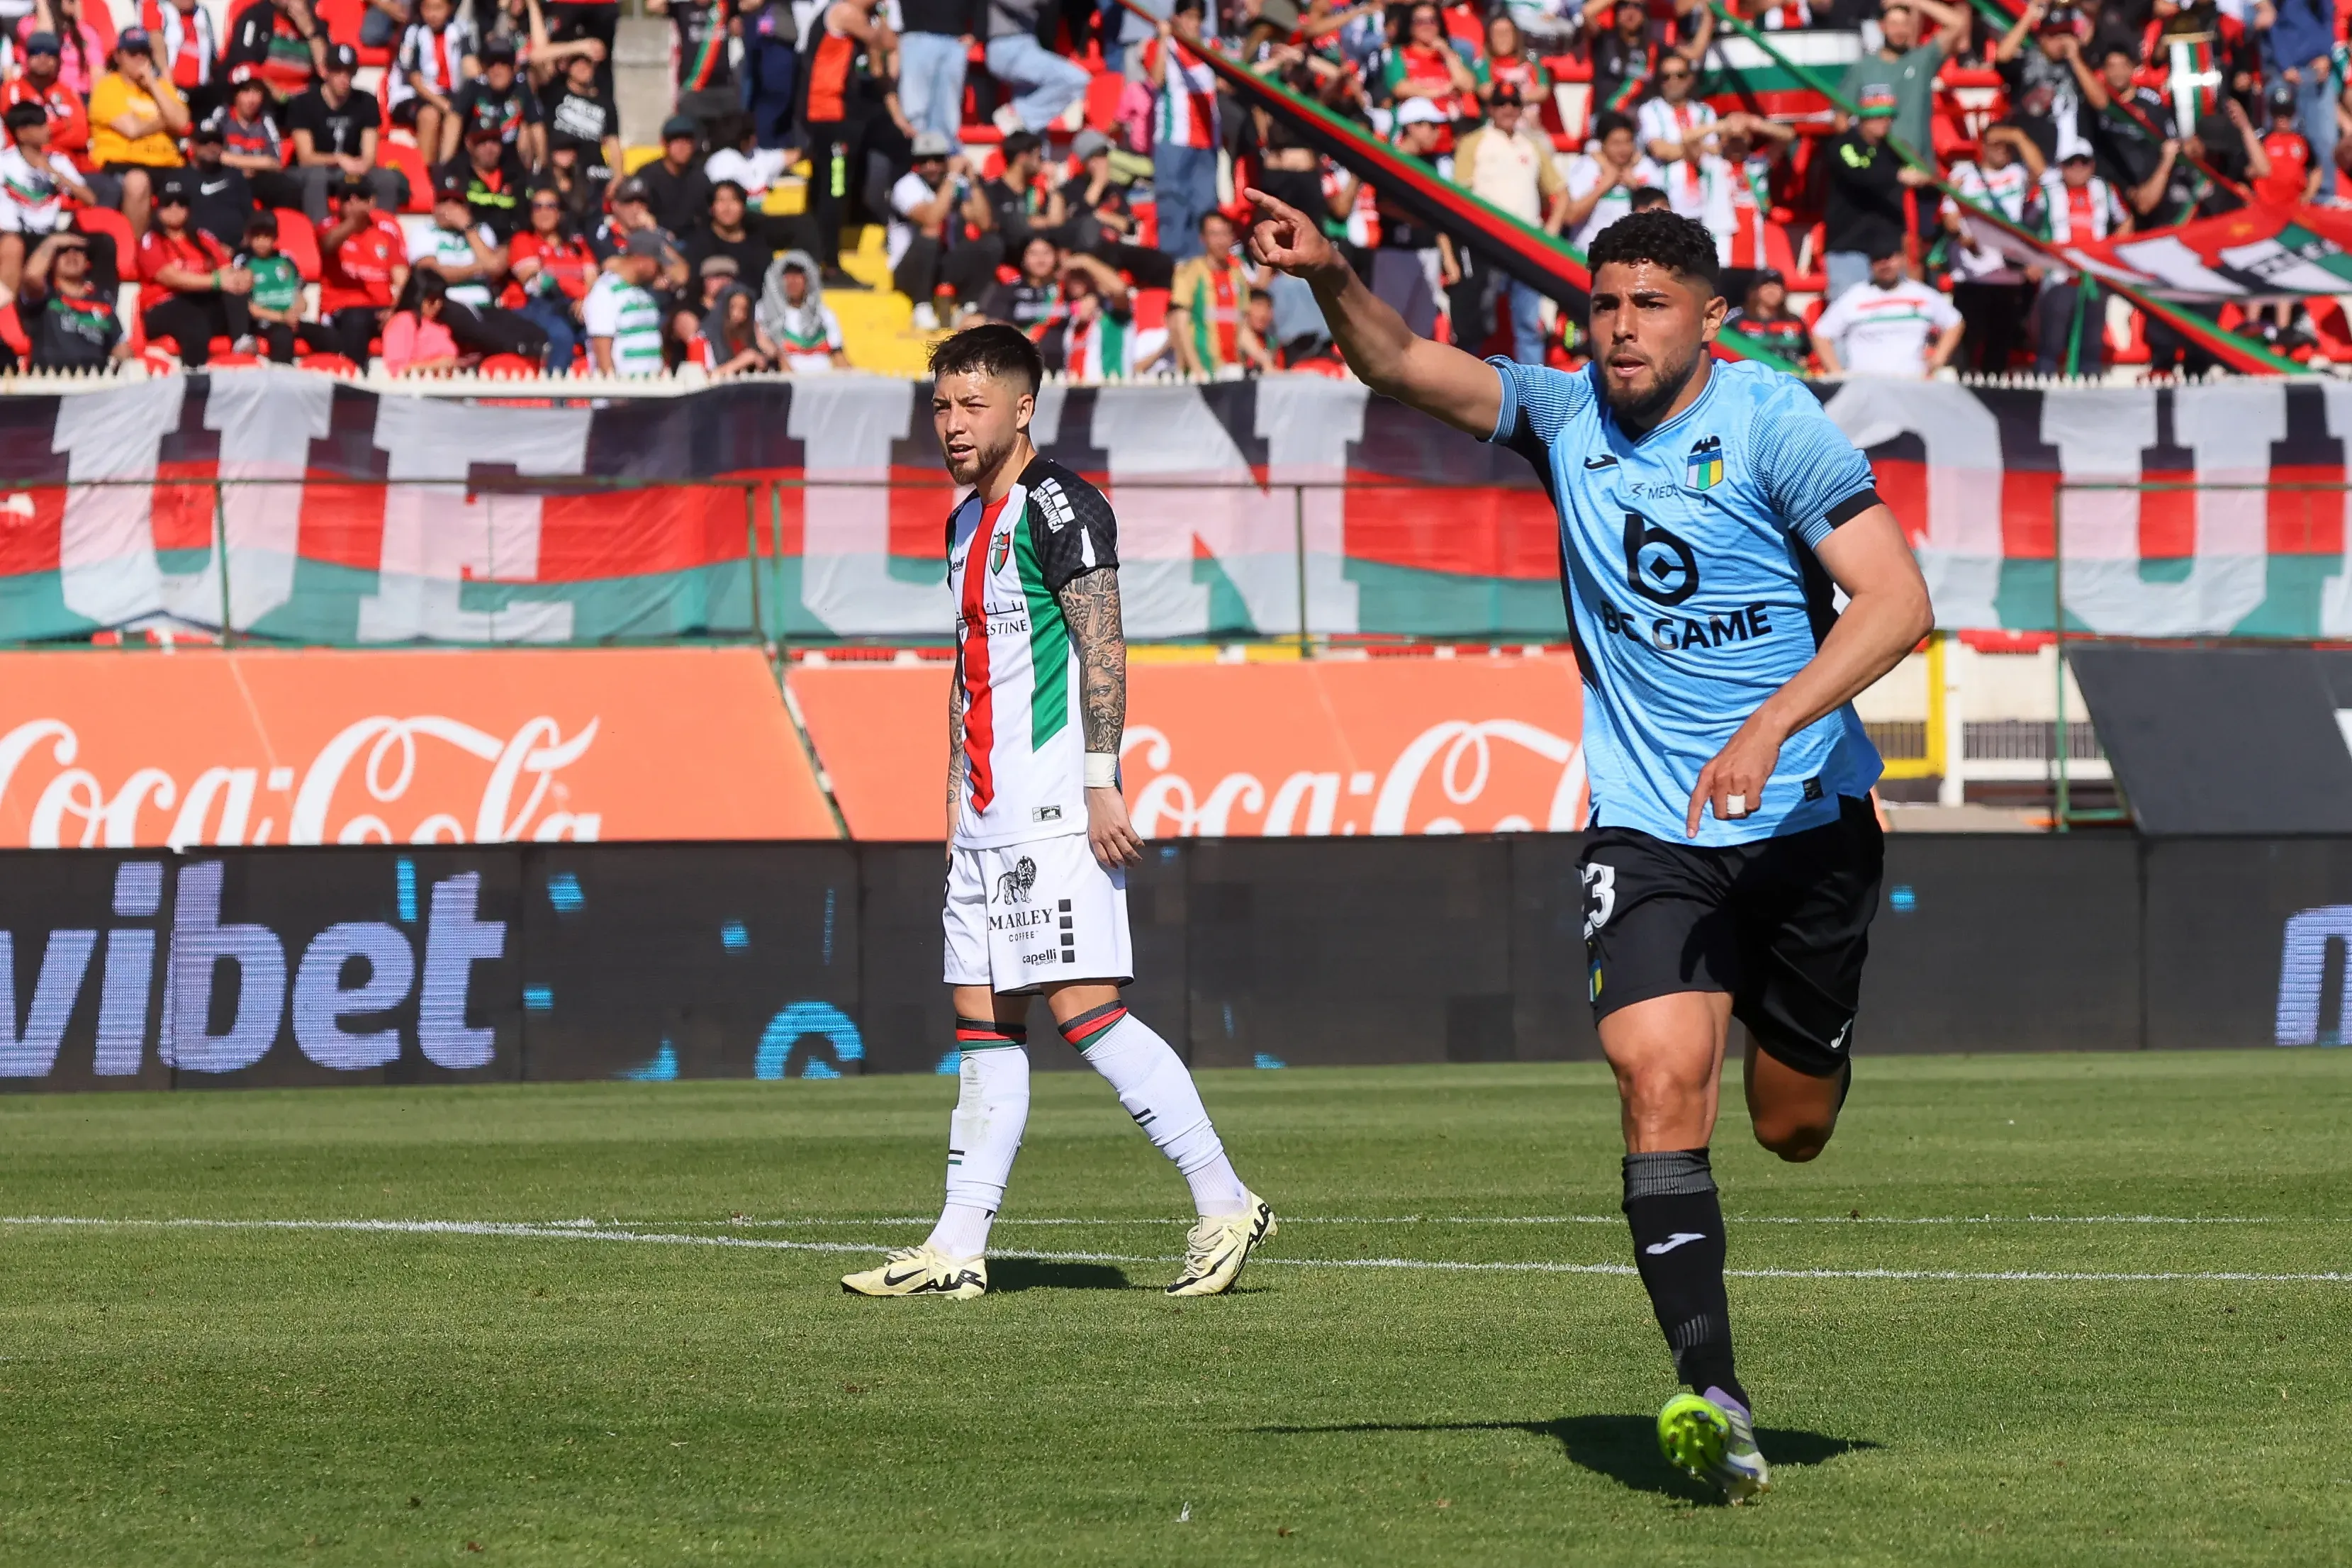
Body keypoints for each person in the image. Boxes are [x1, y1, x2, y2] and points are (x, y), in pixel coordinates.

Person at [1242, 191, 1931, 1502]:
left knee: (1789, 1128)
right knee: (1653, 1075)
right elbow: (1397, 363)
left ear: (1708, 321)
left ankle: (1808, 1068)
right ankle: (1709, 1390)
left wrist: (1771, 727)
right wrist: (1327, 270)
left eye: (1648, 306)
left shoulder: (1771, 421)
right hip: (1646, 819)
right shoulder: (1561, 414)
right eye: (1603, 304)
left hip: (1804, 825)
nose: (1618, 329)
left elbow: (1897, 601)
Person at [841, 322, 1277, 1303]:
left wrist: (1099, 778)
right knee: (981, 1022)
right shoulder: (960, 525)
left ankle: (1224, 1198)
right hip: (987, 814)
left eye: (972, 405)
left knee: (1084, 1010)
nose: (952, 426)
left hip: (1050, 803)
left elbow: (1105, 646)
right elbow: (966, 675)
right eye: (942, 406)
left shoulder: (1059, 505)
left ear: (1022, 406)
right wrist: (952, 799)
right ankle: (955, 1250)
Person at [1450, 82, 1564, 364]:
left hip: (1526, 244)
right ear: (1491, 109)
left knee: (1528, 323)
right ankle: (1464, 385)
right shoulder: (1474, 143)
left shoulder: (1532, 145)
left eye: (1514, 103)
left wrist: (1549, 232)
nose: (1508, 110)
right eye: (1501, 103)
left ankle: (1535, 395)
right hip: (1486, 245)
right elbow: (1459, 194)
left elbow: (1560, 192)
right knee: (1475, 322)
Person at [1940, 121, 2042, 375]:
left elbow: (2042, 173)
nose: (2002, 150)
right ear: (1982, 146)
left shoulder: (2018, 174)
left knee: (1998, 352)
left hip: (2008, 278)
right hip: (1972, 276)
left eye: (2007, 145)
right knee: (1966, 349)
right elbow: (1949, 215)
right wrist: (1965, 239)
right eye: (1995, 143)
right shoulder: (1963, 173)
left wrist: (2018, 136)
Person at [1822, 87, 1933, 300]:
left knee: (1893, 312)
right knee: (1850, 313)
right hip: (1850, 247)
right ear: (1863, 118)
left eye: (1889, 117)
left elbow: (1925, 177)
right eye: (1878, 117)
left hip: (1889, 251)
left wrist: (1917, 165)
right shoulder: (1843, 145)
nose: (1885, 122)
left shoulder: (1895, 150)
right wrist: (1899, 175)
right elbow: (1861, 175)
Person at [135, 170, 254, 364]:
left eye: (181, 204)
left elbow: (227, 272)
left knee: (236, 292)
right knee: (193, 320)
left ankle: (242, 344)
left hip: (200, 301)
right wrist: (216, 280)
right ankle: (194, 378)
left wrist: (242, 277)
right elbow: (170, 277)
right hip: (164, 305)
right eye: (168, 204)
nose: (175, 208)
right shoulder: (152, 240)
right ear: (158, 209)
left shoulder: (204, 238)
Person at [888, 130, 999, 327]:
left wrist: (972, 182)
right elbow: (931, 219)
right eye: (924, 161)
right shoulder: (907, 186)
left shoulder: (958, 185)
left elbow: (985, 223)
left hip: (942, 265)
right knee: (932, 233)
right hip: (909, 269)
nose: (931, 166)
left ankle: (968, 305)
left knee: (991, 243)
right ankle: (921, 304)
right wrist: (952, 177)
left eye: (937, 159)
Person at [86, 27, 187, 238]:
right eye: (133, 53)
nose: (140, 59)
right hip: (124, 163)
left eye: (144, 52)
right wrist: (168, 120)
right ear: (119, 56)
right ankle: (132, 252)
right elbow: (132, 130)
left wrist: (152, 84)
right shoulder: (107, 87)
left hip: (167, 163)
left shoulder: (161, 87)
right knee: (137, 182)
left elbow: (183, 122)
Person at [289, 44, 405, 224]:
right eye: (337, 71)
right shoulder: (304, 102)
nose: (344, 78)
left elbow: (369, 154)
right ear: (324, 71)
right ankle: (323, 232)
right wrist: (340, 159)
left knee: (387, 179)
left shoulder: (365, 101)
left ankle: (384, 233)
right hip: (314, 169)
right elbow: (306, 157)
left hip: (351, 168)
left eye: (349, 72)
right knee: (316, 177)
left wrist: (362, 165)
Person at [2032, 147, 2122, 375]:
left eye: (2084, 162)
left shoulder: (2105, 190)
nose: (2079, 168)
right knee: (2051, 341)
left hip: (2094, 278)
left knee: (2092, 342)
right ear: (2061, 167)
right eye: (2072, 163)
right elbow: (2026, 226)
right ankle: (2043, 392)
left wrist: (2111, 253)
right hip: (2059, 278)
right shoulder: (2046, 194)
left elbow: (2126, 220)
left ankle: (2089, 396)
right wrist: (2036, 260)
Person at [1811, 242, 1964, 377]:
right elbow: (1821, 334)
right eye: (1878, 260)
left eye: (1890, 257)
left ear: (1902, 259)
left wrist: (1939, 358)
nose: (1885, 264)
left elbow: (1955, 322)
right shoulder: (1855, 297)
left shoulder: (1922, 295)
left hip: (1911, 385)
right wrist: (1836, 373)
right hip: (1865, 387)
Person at [1837, 0, 1966, 159]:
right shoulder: (1863, 68)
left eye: (1905, 24)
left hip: (1919, 166)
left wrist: (1914, 2)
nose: (1900, 30)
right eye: (1894, 24)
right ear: (1882, 26)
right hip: (1880, 169)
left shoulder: (1922, 61)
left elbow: (1957, 23)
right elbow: (1841, 118)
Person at [1144, 0, 1219, 262]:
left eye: (1198, 18)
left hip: (1208, 143)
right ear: (1176, 18)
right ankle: (1174, 274)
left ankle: (1202, 272)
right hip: (1174, 141)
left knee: (1206, 211)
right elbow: (1155, 79)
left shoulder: (1211, 47)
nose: (1193, 24)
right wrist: (1165, 39)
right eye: (1188, 17)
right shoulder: (1160, 46)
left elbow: (1229, 82)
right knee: (1173, 210)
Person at [0, 97, 91, 299]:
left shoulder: (58, 161)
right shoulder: (4, 163)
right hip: (13, 233)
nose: (48, 129)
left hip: (49, 233)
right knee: (12, 245)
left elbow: (90, 199)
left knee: (104, 243)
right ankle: (8, 313)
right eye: (41, 125)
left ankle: (98, 307)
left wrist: (54, 173)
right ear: (22, 133)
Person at [1169, 209, 1273, 374]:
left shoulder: (1237, 276)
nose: (1221, 241)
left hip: (1232, 370)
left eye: (1225, 234)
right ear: (1203, 238)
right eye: (1214, 234)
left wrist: (1264, 359)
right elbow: (1179, 324)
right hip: (1202, 371)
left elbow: (1241, 327)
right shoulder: (1189, 273)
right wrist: (1195, 366)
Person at [505, 184, 595, 370]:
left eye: (550, 206)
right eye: (537, 207)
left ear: (560, 212)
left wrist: (586, 300)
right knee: (562, 335)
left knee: (599, 331)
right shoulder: (523, 240)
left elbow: (593, 279)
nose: (543, 212)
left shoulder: (576, 244)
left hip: (576, 305)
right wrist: (579, 296)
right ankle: (554, 395)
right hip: (532, 305)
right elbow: (534, 283)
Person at [316, 177, 407, 363]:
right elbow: (328, 245)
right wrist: (353, 222)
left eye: (361, 197)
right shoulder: (328, 226)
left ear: (372, 201)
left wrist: (395, 309)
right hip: (341, 309)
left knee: (411, 317)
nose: (353, 203)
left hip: (381, 308)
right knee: (357, 318)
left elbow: (402, 277)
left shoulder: (386, 231)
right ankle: (354, 375)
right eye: (347, 198)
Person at [18, 229, 128, 369]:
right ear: (52, 262)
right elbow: (32, 276)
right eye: (63, 251)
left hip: (93, 382)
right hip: (49, 382)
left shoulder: (103, 304)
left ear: (87, 263)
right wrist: (53, 241)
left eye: (78, 250)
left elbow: (121, 348)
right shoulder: (45, 297)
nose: (71, 254)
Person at [236, 210, 335, 361]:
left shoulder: (287, 260)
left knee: (329, 336)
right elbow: (247, 307)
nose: (262, 242)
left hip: (290, 318)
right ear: (250, 238)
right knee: (283, 337)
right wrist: (282, 318)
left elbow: (301, 297)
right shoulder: (244, 262)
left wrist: (294, 314)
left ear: (275, 237)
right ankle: (281, 380)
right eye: (257, 237)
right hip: (263, 322)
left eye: (267, 236)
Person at [1562, 110, 1667, 251]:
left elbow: (1663, 218)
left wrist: (1638, 190)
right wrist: (1603, 186)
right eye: (1616, 143)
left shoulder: (1646, 167)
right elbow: (1570, 217)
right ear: (1602, 144)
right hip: (1588, 255)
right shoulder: (1586, 167)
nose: (1623, 149)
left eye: (1628, 142)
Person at [393, 0, 478, 169]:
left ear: (449, 8)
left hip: (449, 93)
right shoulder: (413, 32)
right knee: (430, 115)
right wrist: (447, 106)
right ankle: (428, 172)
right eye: (428, 8)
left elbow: (472, 68)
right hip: (413, 95)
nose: (433, 14)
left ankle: (450, 169)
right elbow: (414, 79)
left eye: (438, 8)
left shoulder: (460, 29)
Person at [206, 65, 302, 212]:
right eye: (246, 91)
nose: (252, 99)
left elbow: (274, 162)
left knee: (288, 188)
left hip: (258, 179)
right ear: (235, 94)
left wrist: (232, 160)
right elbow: (209, 153)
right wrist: (249, 165)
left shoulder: (266, 120)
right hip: (225, 176)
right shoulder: (222, 115)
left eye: (257, 92)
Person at [985, 0, 1088, 135]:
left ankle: (1026, 137)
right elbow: (1020, 4)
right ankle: (1016, 112)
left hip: (1028, 45)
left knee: (1035, 132)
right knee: (1076, 79)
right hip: (1007, 46)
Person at [2266, 0, 2335, 198]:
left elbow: (2327, 18)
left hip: (2317, 70)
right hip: (2283, 72)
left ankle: (2324, 198)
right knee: (2280, 139)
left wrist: (2326, 55)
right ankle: (2278, 198)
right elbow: (2270, 19)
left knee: (2324, 139)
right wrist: (2284, 62)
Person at [1637, 52, 1718, 218]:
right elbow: (1660, 150)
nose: (1673, 81)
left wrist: (1678, 148)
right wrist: (1696, 148)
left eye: (1680, 75)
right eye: (1666, 76)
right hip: (1665, 204)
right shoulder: (1649, 110)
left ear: (1690, 79)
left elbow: (1715, 151)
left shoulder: (1705, 111)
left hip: (1705, 204)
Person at [1036, 249, 1141, 377]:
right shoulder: (1068, 313)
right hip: (1077, 390)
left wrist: (1086, 261)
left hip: (1112, 390)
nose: (1074, 280)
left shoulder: (1112, 311)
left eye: (1081, 274)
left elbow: (1119, 290)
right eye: (1070, 275)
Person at [448, 35, 544, 169]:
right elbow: (455, 118)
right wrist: (446, 164)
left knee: (526, 128)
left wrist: (543, 169)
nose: (497, 70)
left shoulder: (522, 88)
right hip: (476, 160)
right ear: (484, 68)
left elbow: (537, 127)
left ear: (514, 67)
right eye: (491, 64)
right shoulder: (474, 86)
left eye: (504, 63)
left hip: (511, 161)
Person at [644, 0, 738, 138]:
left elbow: (753, 3)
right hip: (693, 88)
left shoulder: (724, 5)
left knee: (725, 144)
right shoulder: (682, 8)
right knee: (693, 143)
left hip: (723, 88)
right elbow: (652, 5)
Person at [4, 35, 93, 179]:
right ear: (26, 57)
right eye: (36, 52)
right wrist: (62, 126)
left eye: (50, 53)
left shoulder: (67, 92)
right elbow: (13, 135)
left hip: (71, 165)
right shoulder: (11, 90)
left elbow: (81, 134)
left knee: (109, 188)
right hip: (24, 165)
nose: (43, 58)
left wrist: (40, 136)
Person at [585, 226, 665, 373]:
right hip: (624, 390)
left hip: (652, 388)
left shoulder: (644, 292)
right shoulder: (605, 291)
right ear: (642, 260)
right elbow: (602, 346)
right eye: (657, 264)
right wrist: (615, 391)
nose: (661, 271)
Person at [898, 0, 980, 142]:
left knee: (948, 109)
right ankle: (916, 153)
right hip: (916, 35)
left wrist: (977, 33)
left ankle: (942, 155)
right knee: (914, 106)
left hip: (955, 39)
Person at [222, 0, 329, 103]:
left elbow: (325, 71)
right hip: (267, 99)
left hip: (306, 100)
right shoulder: (255, 17)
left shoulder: (314, 20)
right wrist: (277, 93)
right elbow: (244, 61)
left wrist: (310, 31)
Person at [757, 249, 844, 369]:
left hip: (823, 381)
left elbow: (838, 354)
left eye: (798, 275)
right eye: (787, 275)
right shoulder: (764, 313)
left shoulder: (824, 314)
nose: (792, 281)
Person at [142, 0, 223, 123]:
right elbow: (155, 39)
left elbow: (212, 54)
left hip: (200, 92)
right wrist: (164, 70)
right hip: (172, 89)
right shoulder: (158, 8)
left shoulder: (202, 13)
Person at [443, 122, 531, 235]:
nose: (489, 148)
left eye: (495, 141)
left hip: (510, 240)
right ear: (469, 144)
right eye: (482, 142)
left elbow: (524, 215)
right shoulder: (457, 174)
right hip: (470, 240)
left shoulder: (515, 174)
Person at [639, 114, 715, 239]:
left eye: (687, 140)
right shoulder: (647, 176)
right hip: (656, 240)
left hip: (692, 242)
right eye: (676, 140)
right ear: (664, 143)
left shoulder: (699, 177)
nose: (682, 146)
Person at [383, 267, 467, 373]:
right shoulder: (404, 321)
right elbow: (396, 368)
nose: (438, 305)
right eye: (432, 300)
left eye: (441, 299)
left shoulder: (441, 323)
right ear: (418, 297)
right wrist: (436, 365)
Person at [1719, 267, 1810, 365]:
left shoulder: (1795, 321)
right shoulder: (1738, 319)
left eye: (1776, 286)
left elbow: (1809, 354)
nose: (1771, 290)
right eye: (1766, 285)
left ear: (1784, 292)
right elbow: (1722, 345)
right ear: (1756, 291)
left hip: (1790, 376)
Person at [980, 232, 1063, 330]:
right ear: (1023, 259)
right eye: (1034, 254)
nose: (1041, 260)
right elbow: (994, 322)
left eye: (1046, 253)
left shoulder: (1065, 290)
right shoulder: (1009, 290)